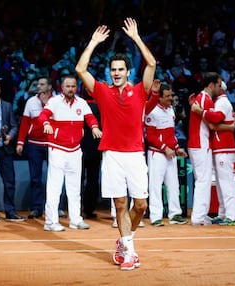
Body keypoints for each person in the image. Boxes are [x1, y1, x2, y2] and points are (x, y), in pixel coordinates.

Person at [75, 18, 156, 271]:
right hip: (111, 154)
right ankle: (128, 250)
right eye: (113, 70)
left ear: (128, 71)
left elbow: (152, 63)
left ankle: (124, 240)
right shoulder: (101, 91)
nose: (117, 73)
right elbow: (80, 69)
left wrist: (136, 38)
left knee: (140, 205)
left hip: (134, 155)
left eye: (121, 69)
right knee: (120, 204)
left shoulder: (141, 91)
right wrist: (93, 43)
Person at [39, 75, 102, 232]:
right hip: (57, 149)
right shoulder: (54, 101)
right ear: (62, 87)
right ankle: (50, 221)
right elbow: (43, 115)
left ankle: (76, 220)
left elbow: (90, 118)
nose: (71, 89)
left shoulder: (82, 103)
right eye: (68, 86)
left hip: (75, 150)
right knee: (55, 187)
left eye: (73, 86)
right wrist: (46, 123)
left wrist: (94, 127)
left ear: (76, 87)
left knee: (74, 188)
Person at [191, 81, 235, 226]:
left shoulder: (222, 102)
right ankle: (224, 213)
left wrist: (200, 111)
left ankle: (234, 216)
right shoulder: (220, 102)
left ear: (220, 89)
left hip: (224, 147)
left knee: (226, 182)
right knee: (222, 183)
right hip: (221, 146)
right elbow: (214, 123)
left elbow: (215, 120)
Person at [145, 82, 188, 226]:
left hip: (170, 154)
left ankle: (175, 214)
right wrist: (165, 148)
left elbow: (171, 135)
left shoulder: (171, 110)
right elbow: (150, 136)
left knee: (173, 185)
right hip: (157, 154)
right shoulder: (152, 112)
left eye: (171, 95)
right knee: (155, 186)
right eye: (167, 96)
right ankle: (156, 216)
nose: (171, 98)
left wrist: (176, 148)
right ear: (160, 98)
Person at [16, 77, 54, 219]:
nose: (38, 86)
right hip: (34, 145)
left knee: (54, 179)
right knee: (35, 179)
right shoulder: (31, 101)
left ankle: (55, 208)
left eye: (42, 84)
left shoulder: (56, 101)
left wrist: (46, 107)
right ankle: (36, 208)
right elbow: (25, 123)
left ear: (49, 87)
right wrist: (20, 142)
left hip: (52, 145)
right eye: (38, 84)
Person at [0, 76, 25, 223]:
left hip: (5, 150)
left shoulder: (7, 106)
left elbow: (14, 125)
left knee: (10, 181)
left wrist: (10, 136)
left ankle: (10, 212)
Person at [187, 72, 222, 226]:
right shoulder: (205, 100)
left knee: (202, 180)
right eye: (218, 85)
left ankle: (202, 214)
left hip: (197, 143)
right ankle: (198, 217)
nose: (219, 89)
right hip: (200, 144)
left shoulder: (200, 98)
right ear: (211, 85)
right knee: (203, 180)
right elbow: (215, 119)